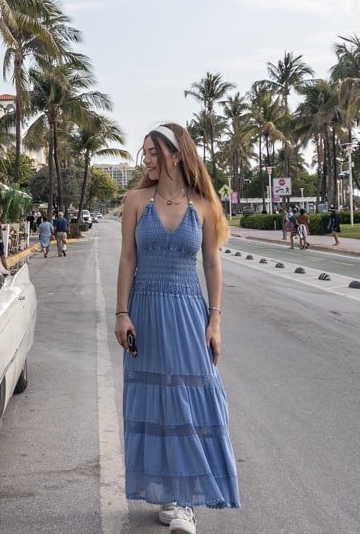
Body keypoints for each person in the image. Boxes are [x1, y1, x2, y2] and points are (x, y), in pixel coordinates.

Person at [113, 123, 240, 533]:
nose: (146, 158)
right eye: (144, 151)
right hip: (146, 309)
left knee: (190, 397)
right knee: (157, 402)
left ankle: (185, 500)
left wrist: (215, 319)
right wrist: (121, 313)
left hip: (188, 310)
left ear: (176, 154)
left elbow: (211, 263)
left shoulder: (203, 203)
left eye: (153, 151)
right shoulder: (135, 200)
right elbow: (128, 259)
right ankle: (169, 494)